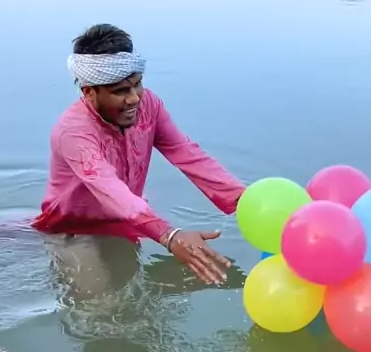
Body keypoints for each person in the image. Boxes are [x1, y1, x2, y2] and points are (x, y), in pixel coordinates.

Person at [33, 23, 245, 285]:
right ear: (89, 92)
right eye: (120, 91)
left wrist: (243, 199)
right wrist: (170, 236)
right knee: (103, 303)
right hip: (74, 231)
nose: (134, 98)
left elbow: (185, 152)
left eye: (137, 84)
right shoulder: (74, 132)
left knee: (138, 285)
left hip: (129, 220)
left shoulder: (149, 105)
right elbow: (111, 190)